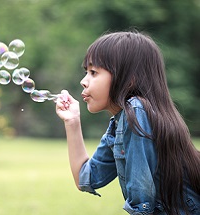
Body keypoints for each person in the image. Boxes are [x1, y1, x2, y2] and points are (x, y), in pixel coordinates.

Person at [55, 31, 200, 215]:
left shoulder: (136, 112)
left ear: (129, 79)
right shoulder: (119, 125)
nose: (83, 81)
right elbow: (86, 179)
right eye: (86, 72)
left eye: (93, 72)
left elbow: (142, 204)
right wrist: (72, 121)